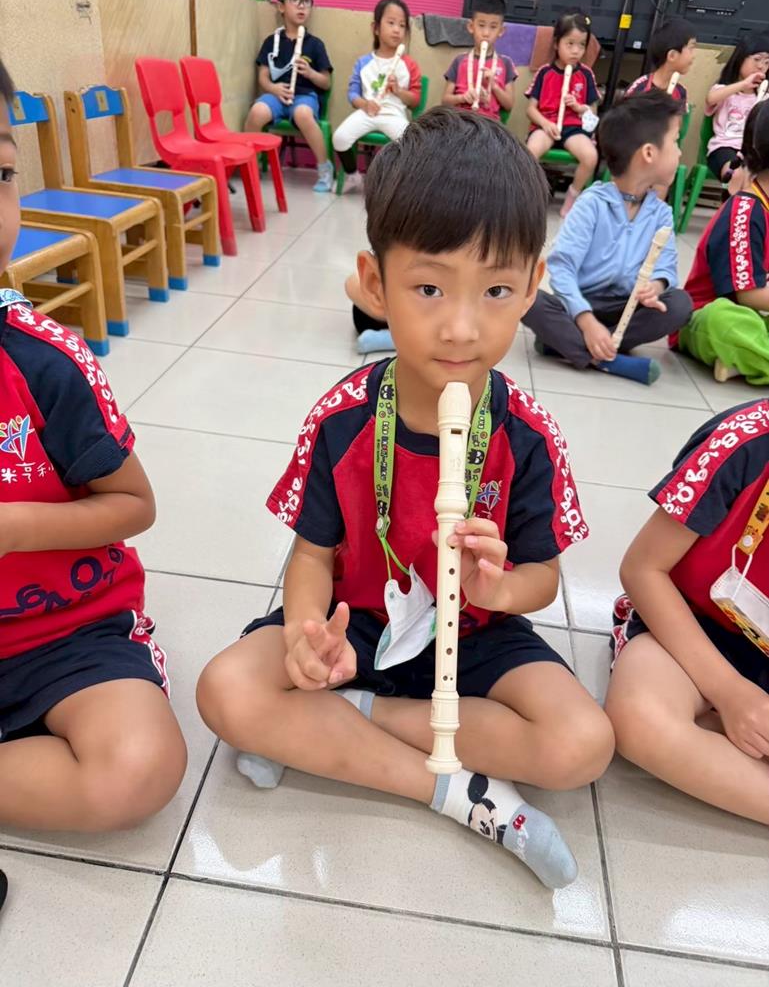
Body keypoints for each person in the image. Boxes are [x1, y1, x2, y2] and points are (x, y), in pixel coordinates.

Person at [197, 108, 615, 892]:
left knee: (582, 744)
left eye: (496, 290)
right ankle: (456, 794)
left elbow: (542, 578)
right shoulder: (343, 417)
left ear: (532, 286)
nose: (461, 327)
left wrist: (499, 588)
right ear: (373, 284)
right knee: (224, 688)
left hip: (476, 634)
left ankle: (343, 724)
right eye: (428, 287)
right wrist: (305, 636)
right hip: (353, 623)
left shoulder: (528, 434)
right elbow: (311, 556)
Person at [0, 60, 187, 832]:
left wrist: (15, 528)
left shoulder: (45, 361)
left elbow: (133, 505)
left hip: (63, 631)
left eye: (0, 172)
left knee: (138, 769)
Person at [606, 401, 769, 826]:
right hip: (690, 627)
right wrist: (730, 692)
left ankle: (724, 731)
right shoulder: (744, 442)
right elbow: (643, 569)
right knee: (641, 719)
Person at [523, 91, 692, 385]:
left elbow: (665, 268)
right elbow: (562, 268)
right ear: (649, 153)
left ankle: (569, 345)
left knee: (680, 304)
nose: (679, 153)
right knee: (529, 299)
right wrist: (586, 321)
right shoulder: (591, 204)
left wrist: (655, 286)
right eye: (675, 142)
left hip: (624, 307)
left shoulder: (661, 214)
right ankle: (607, 359)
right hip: (580, 305)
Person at [678, 101, 769, 385]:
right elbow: (747, 296)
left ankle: (745, 360)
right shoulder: (746, 210)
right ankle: (747, 356)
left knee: (752, 325)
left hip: (756, 314)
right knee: (725, 321)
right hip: (710, 314)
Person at [245, 0, 334, 192]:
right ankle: (248, 162)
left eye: (306, 1)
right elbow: (263, 77)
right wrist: (274, 89)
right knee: (256, 112)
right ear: (281, 6)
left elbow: (326, 82)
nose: (301, 6)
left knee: (303, 114)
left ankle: (324, 168)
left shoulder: (315, 44)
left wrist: (310, 73)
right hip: (276, 95)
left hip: (304, 97)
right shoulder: (271, 41)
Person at [332, 0, 421, 195]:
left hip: (394, 114)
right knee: (339, 138)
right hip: (367, 112)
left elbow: (415, 101)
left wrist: (398, 91)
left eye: (402, 25)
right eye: (391, 23)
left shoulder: (409, 65)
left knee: (411, 145)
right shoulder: (363, 63)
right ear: (376, 28)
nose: (397, 29)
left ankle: (398, 187)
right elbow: (352, 94)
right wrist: (364, 104)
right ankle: (352, 175)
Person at [525, 12, 600, 217]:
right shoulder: (545, 72)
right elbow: (531, 109)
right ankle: (530, 195)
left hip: (573, 128)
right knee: (530, 152)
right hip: (546, 125)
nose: (576, 51)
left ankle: (572, 196)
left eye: (581, 45)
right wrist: (545, 123)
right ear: (557, 43)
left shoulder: (586, 74)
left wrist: (579, 107)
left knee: (590, 156)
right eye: (570, 44)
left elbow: (592, 112)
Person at [703, 33, 769, 194]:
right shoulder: (724, 90)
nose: (761, 67)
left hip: (753, 153)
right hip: (724, 148)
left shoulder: (765, 97)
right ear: (740, 59)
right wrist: (743, 85)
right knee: (737, 174)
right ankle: (733, 205)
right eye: (757, 59)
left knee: (755, 176)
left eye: (767, 62)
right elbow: (711, 98)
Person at [442, 0, 516, 122]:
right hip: (461, 121)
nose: (486, 33)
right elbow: (445, 101)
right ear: (471, 27)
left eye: (493, 27)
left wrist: (494, 86)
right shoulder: (460, 60)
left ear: (501, 31)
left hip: (490, 124)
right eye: (481, 25)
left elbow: (509, 105)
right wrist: (462, 98)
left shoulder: (506, 63)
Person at [625, 17, 696, 103]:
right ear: (672, 55)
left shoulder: (681, 93)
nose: (694, 56)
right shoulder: (640, 89)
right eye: (691, 48)